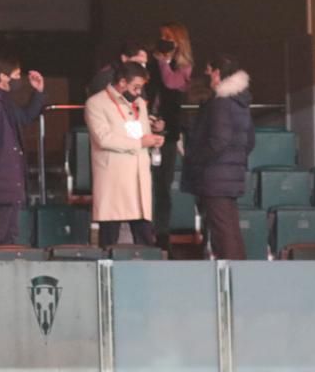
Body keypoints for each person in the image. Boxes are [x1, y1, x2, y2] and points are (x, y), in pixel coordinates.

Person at [181, 55, 255, 260]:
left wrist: (195, 157)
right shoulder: (240, 102)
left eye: (208, 71)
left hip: (215, 175)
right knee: (230, 227)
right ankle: (239, 273)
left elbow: (218, 141)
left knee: (223, 231)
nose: (205, 76)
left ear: (217, 73)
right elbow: (250, 141)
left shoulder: (220, 103)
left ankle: (231, 276)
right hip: (231, 174)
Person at [0, 53, 46, 250]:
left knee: (10, 230)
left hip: (10, 177)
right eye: (16, 74)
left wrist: (38, 93)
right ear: (3, 76)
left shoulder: (4, 100)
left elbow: (25, 117)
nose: (19, 79)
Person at [85, 62, 164, 248]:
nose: (138, 92)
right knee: (109, 236)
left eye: (141, 88)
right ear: (121, 82)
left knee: (144, 236)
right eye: (135, 87)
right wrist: (139, 143)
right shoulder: (96, 103)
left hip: (138, 175)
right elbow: (103, 139)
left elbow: (142, 134)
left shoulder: (139, 105)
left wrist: (152, 140)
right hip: (114, 177)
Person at [149, 22, 193, 247]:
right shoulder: (148, 61)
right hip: (144, 130)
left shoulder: (183, 66)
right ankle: (145, 230)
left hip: (168, 133)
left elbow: (171, 82)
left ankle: (162, 234)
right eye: (162, 37)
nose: (164, 42)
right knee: (146, 184)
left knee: (163, 186)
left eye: (169, 38)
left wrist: (164, 61)